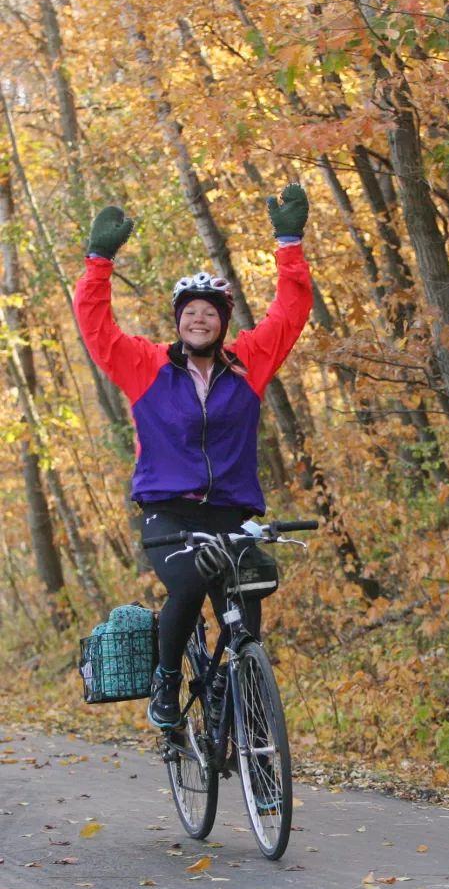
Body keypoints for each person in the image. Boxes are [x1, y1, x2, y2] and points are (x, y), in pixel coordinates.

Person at [74, 184, 312, 730]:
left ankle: (250, 725)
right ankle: (166, 682)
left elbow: (291, 311)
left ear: (222, 322)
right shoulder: (144, 365)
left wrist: (290, 243)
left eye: (209, 312)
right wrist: (98, 262)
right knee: (185, 586)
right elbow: (96, 326)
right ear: (178, 320)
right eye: (190, 312)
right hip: (170, 512)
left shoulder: (249, 363)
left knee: (246, 622)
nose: (199, 319)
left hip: (232, 512)